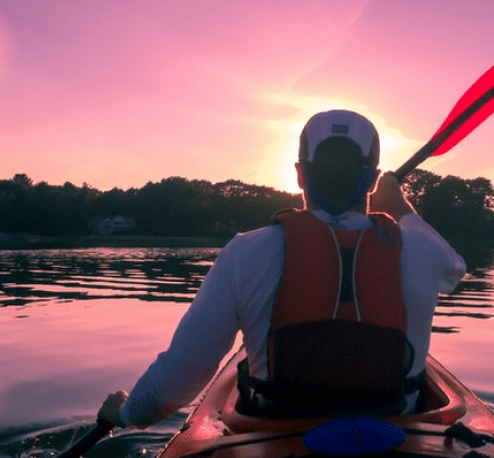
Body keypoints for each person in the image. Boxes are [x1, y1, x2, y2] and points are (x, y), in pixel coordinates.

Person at [98, 109, 466, 427]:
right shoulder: (422, 250)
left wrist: (128, 414)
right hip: (395, 434)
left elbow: (182, 372)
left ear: (300, 174)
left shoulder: (245, 252)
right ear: (371, 180)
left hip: (277, 435)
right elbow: (454, 270)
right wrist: (398, 205)